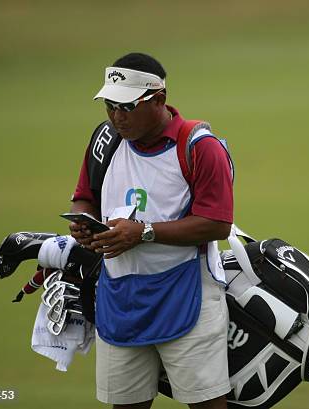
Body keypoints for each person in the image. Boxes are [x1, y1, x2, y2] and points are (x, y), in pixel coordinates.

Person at [68, 52, 233, 409]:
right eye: (110, 105)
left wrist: (142, 232)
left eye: (126, 106)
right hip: (119, 297)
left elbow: (218, 223)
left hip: (188, 295)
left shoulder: (200, 147)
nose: (116, 116)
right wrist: (83, 225)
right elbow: (84, 199)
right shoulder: (104, 141)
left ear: (158, 100)